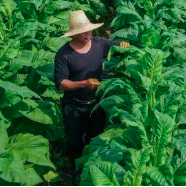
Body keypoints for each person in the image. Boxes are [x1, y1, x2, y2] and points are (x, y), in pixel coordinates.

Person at [53, 10, 129, 183]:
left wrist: (124, 45)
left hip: (96, 104)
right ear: (74, 34)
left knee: (94, 139)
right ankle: (75, 171)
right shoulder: (64, 54)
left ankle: (90, 171)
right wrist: (83, 84)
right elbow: (60, 83)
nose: (87, 35)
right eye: (83, 33)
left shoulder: (99, 43)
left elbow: (118, 45)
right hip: (74, 106)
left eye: (89, 31)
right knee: (74, 142)